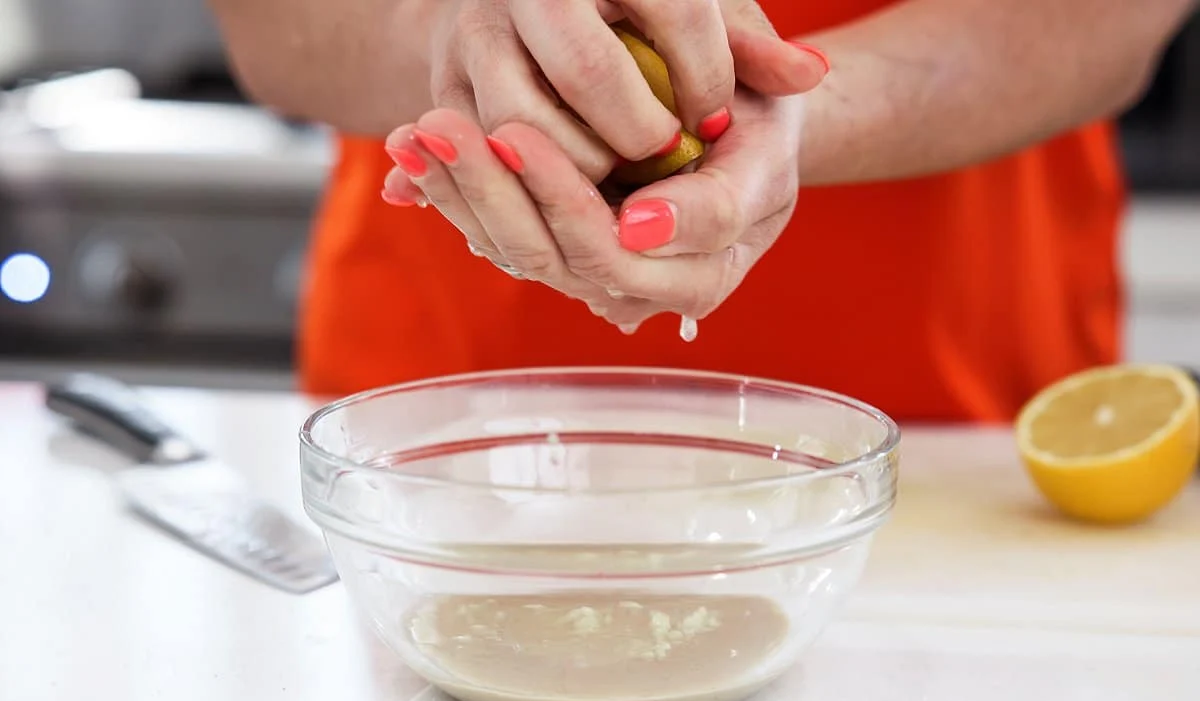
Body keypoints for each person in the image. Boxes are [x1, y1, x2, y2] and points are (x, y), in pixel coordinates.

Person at [208, 0, 1195, 422]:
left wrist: (802, 115)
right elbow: (278, 29)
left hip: (954, 434)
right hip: (443, 445)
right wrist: (461, 41)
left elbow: (1096, 22)